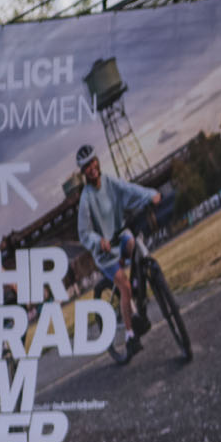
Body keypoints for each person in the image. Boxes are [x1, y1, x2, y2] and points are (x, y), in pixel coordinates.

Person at [74, 143, 163, 355]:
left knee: (135, 247)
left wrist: (151, 194)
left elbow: (129, 189)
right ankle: (131, 336)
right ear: (83, 172)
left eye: (93, 162)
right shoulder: (86, 200)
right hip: (104, 253)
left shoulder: (109, 182)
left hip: (121, 236)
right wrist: (99, 241)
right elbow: (84, 233)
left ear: (98, 162)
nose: (92, 168)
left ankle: (139, 288)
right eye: (86, 166)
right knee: (124, 286)